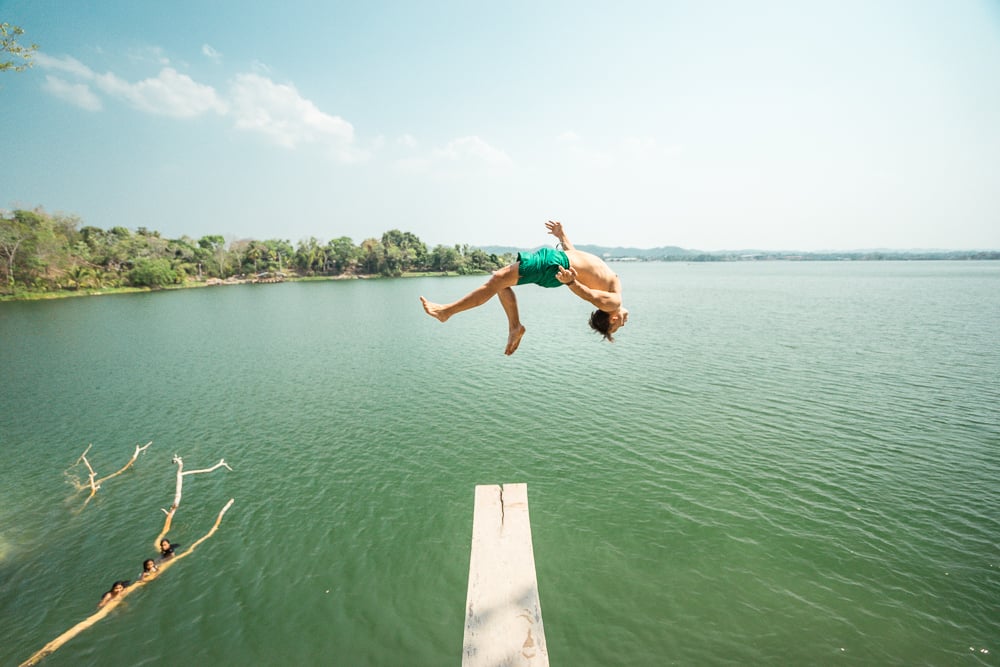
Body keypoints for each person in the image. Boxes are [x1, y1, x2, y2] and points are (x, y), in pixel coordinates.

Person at [420, 220, 629, 355]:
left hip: (554, 266)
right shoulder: (613, 292)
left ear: (612, 318)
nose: (623, 323)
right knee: (500, 281)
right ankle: (515, 327)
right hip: (559, 261)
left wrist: (571, 282)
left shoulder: (613, 303)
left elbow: (590, 295)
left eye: (617, 326)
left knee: (498, 280)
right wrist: (562, 236)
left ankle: (446, 312)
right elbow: (578, 258)